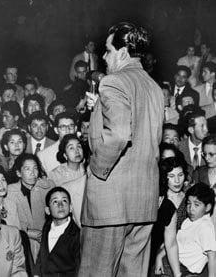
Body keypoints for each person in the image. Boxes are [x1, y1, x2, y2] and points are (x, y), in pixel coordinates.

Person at [80, 22, 164, 277]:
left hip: (110, 202)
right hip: (143, 201)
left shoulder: (113, 81)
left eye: (107, 50)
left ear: (123, 52)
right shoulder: (154, 87)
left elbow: (118, 134)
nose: (104, 57)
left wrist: (97, 169)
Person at [157, 183, 216, 276]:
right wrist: (159, 257)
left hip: (185, 270)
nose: (191, 209)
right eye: (188, 204)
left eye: (196, 205)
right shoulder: (187, 221)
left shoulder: (205, 227)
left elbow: (212, 257)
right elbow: (173, 243)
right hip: (170, 263)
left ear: (208, 207)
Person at [7, 153, 55, 261]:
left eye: (35, 168)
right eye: (27, 169)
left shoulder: (48, 186)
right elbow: (11, 223)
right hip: (22, 242)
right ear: (19, 173)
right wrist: (28, 232)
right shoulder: (10, 192)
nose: (32, 173)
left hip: (47, 240)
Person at [152, 157, 188, 276]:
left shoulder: (190, 198)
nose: (177, 181)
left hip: (185, 251)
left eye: (180, 175)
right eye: (171, 176)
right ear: (164, 178)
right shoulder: (159, 201)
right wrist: (159, 256)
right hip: (159, 253)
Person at [34, 187, 80, 277]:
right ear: (47, 210)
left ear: (70, 208)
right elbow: (42, 255)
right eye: (55, 201)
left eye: (64, 201)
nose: (60, 205)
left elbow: (79, 268)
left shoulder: (76, 234)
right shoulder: (47, 226)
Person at [48, 134, 86, 226]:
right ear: (65, 155)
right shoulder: (56, 174)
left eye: (79, 147)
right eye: (71, 148)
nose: (77, 151)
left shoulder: (87, 170)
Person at [38, 112, 77, 176]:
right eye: (63, 127)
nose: (67, 130)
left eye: (71, 126)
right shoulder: (43, 155)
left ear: (75, 129)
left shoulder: (83, 150)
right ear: (56, 130)